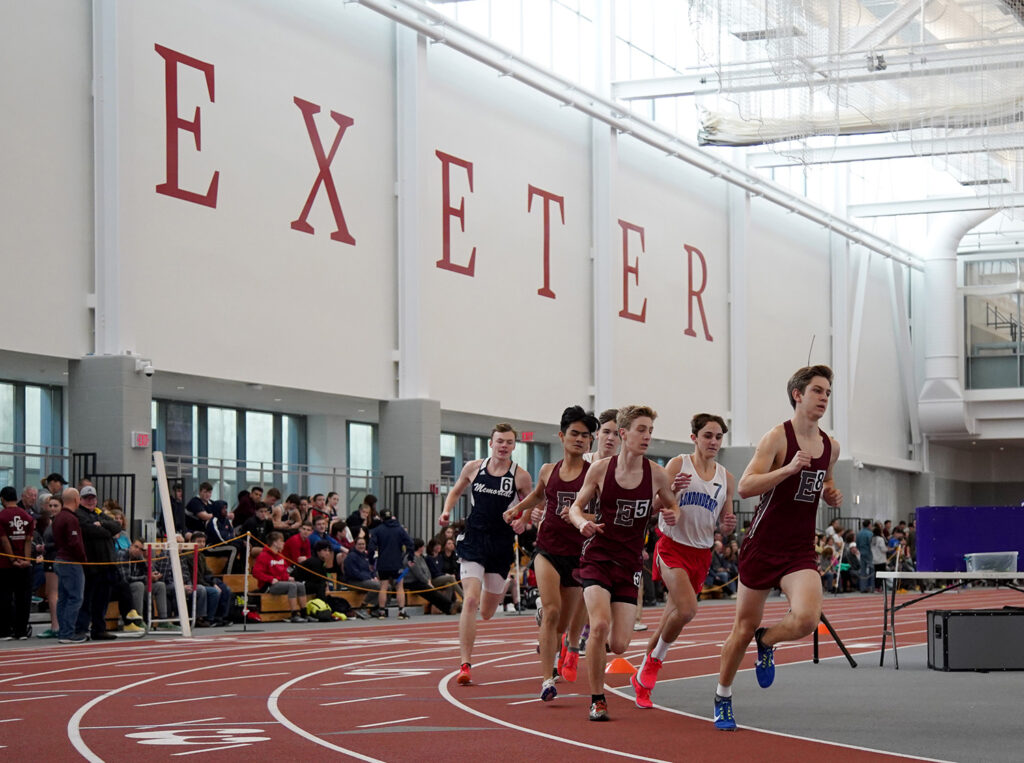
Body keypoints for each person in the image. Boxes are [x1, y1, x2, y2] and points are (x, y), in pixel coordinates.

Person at [712, 365, 842, 731]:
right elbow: (746, 486)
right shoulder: (777, 438)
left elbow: (827, 481)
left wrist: (831, 493)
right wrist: (787, 470)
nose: (824, 398)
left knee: (806, 619)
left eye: (828, 393)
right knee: (741, 627)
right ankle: (723, 696)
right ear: (798, 394)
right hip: (762, 545)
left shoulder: (830, 446)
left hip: (799, 549)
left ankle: (766, 641)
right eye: (818, 391)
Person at [567, 405, 685, 722]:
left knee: (618, 644)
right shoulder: (600, 470)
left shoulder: (657, 474)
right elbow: (576, 507)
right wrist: (582, 524)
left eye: (650, 431)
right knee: (600, 625)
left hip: (629, 563)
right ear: (623, 433)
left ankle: (586, 642)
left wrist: (671, 512)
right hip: (598, 556)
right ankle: (597, 698)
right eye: (641, 430)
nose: (647, 436)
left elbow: (671, 508)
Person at [631, 414, 739, 708]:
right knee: (688, 610)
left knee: (669, 619)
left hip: (702, 554)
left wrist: (728, 528)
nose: (713, 442)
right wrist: (672, 496)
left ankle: (641, 679)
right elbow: (653, 506)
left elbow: (724, 523)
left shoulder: (726, 478)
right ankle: (655, 662)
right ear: (694, 438)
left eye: (718, 437)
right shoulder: (678, 464)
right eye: (708, 436)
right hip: (672, 547)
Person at [503, 405, 598, 702]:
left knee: (561, 624)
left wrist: (584, 518)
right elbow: (539, 494)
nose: (580, 439)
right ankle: (547, 680)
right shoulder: (548, 470)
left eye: (585, 436)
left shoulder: (594, 474)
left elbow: (601, 511)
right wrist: (518, 509)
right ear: (562, 435)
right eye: (574, 434)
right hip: (548, 548)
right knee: (553, 610)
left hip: (577, 554)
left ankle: (545, 622)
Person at [439, 423, 533, 686]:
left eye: (509, 442)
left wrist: (522, 520)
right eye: (500, 441)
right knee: (470, 601)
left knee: (488, 611)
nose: (504, 446)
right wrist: (447, 511)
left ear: (514, 446)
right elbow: (456, 491)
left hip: (501, 545)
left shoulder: (520, 476)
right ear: (491, 443)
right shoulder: (473, 468)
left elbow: (534, 502)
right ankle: (465, 663)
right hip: (474, 540)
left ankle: (493, 592)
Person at [75, 485, 121, 641]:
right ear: (80, 500)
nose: (90, 501)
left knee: (102, 600)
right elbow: (89, 531)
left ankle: (99, 629)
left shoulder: (99, 514)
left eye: (92, 498)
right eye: (87, 498)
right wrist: (106, 530)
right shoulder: (79, 515)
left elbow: (117, 526)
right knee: (87, 599)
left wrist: (103, 525)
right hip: (90, 566)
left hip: (106, 565)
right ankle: (81, 629)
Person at [0, 485, 37, 639]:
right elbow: (29, 540)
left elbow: (4, 540)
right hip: (25, 565)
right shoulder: (27, 517)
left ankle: (5, 630)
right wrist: (26, 560)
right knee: (24, 598)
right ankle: (21, 631)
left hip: (5, 565)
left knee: (5, 597)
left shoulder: (1, 517)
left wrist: (13, 559)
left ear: (2, 499)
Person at [52, 487, 87, 643]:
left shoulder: (58, 517)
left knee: (64, 598)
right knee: (75, 597)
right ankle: (67, 632)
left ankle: (63, 631)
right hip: (70, 561)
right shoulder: (71, 519)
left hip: (59, 559)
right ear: (76, 499)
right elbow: (74, 543)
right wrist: (83, 558)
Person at [252, 531, 308, 622]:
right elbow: (256, 572)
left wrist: (287, 577)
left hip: (280, 582)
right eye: (281, 541)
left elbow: (283, 571)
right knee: (292, 586)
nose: (283, 543)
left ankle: (304, 613)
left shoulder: (280, 556)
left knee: (300, 585)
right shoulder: (264, 556)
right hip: (268, 585)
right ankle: (294, 614)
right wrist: (270, 579)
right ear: (275, 543)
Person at [370, 509, 414, 619]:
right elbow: (410, 543)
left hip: (383, 563)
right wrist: (410, 558)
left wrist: (371, 561)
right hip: (397, 563)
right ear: (392, 517)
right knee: (400, 587)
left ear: (381, 518)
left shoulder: (377, 530)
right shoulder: (399, 529)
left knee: (383, 586)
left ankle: (381, 612)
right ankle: (401, 611)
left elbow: (371, 547)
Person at [343, 536, 383, 613]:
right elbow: (354, 573)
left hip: (366, 579)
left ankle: (377, 607)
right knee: (377, 586)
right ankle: (364, 605)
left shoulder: (365, 556)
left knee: (387, 587)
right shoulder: (351, 557)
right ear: (355, 545)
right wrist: (369, 578)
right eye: (359, 544)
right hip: (354, 581)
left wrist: (374, 576)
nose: (362, 546)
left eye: (363, 544)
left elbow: (371, 569)